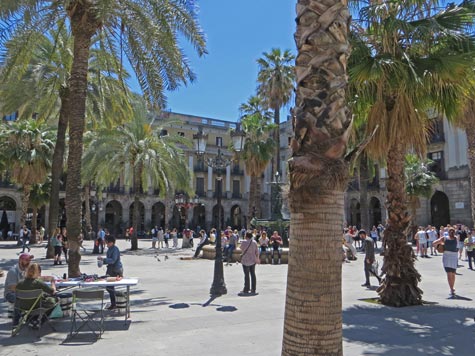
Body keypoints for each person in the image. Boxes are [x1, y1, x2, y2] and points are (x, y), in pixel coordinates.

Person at [14, 263, 57, 328]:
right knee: (56, 299)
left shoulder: (20, 283)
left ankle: (32, 320)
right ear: (38, 272)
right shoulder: (38, 283)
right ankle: (41, 321)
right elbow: (52, 291)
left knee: (34, 301)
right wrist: (53, 283)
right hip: (37, 306)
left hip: (23, 307)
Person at [98, 236, 123, 310]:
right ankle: (114, 303)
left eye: (107, 242)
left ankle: (115, 302)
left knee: (110, 287)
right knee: (109, 287)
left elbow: (113, 260)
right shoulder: (109, 249)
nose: (106, 244)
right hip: (110, 269)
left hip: (116, 269)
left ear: (111, 242)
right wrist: (103, 261)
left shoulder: (115, 249)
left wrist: (104, 259)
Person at [433, 227, 459, 297]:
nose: (451, 233)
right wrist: (440, 246)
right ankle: (451, 288)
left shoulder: (454, 238)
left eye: (452, 231)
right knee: (450, 273)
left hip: (451, 256)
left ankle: (452, 288)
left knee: (452, 273)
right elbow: (434, 243)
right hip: (450, 256)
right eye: (451, 231)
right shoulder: (446, 238)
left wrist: (439, 246)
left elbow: (434, 243)